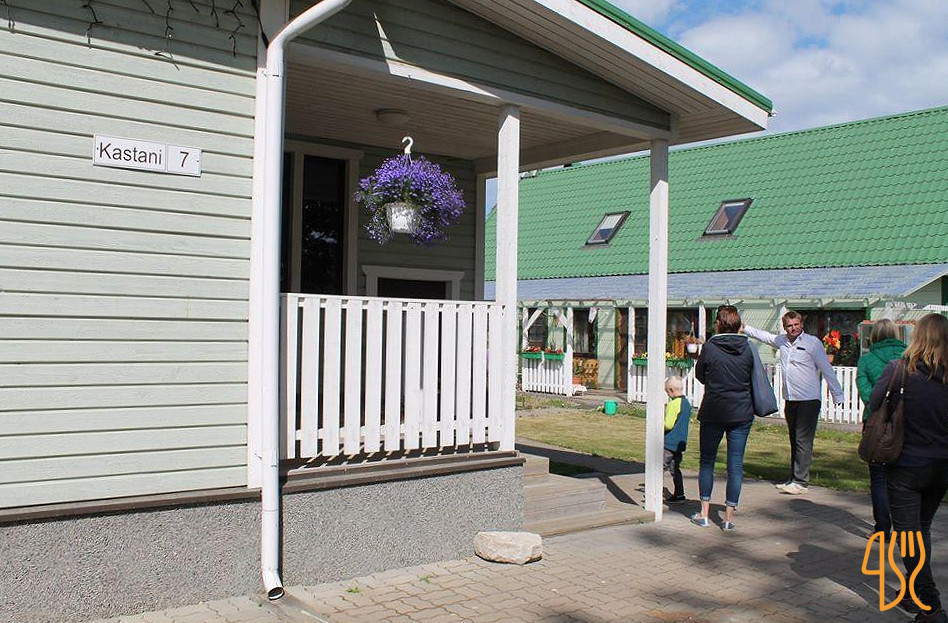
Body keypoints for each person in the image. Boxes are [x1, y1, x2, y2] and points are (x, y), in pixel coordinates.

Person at [869, 314, 948, 623]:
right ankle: (913, 591)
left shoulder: (899, 370)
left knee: (909, 536)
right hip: (940, 466)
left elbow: (875, 402)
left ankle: (931, 606)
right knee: (920, 530)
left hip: (906, 464)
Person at [744, 311, 843, 494]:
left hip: (808, 399)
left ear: (801, 324)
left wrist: (838, 394)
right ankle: (794, 478)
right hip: (791, 399)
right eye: (789, 326)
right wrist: (745, 328)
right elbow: (765, 336)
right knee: (794, 439)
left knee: (803, 440)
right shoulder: (782, 341)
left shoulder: (812, 343)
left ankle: (801, 482)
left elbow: (826, 369)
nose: (793, 328)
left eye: (796, 324)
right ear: (785, 327)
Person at [690, 305, 754, 531]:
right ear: (738, 325)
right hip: (742, 411)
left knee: (707, 461)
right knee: (735, 464)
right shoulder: (748, 348)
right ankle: (728, 518)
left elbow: (700, 375)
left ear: (718, 323)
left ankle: (704, 513)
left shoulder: (710, 348)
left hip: (714, 409)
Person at [856, 319, 906, 535]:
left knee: (878, 478)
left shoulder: (867, 360)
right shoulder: (909, 357)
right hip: (905, 422)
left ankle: (883, 528)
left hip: (876, 422)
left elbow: (866, 394)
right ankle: (905, 527)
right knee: (903, 478)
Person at [663, 376, 691, 504]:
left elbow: (668, 425)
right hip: (680, 443)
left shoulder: (673, 404)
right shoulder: (686, 404)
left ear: (671, 390)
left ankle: (654, 492)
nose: (667, 395)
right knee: (675, 469)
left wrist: (658, 424)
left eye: (667, 392)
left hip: (669, 442)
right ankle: (679, 494)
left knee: (659, 467)